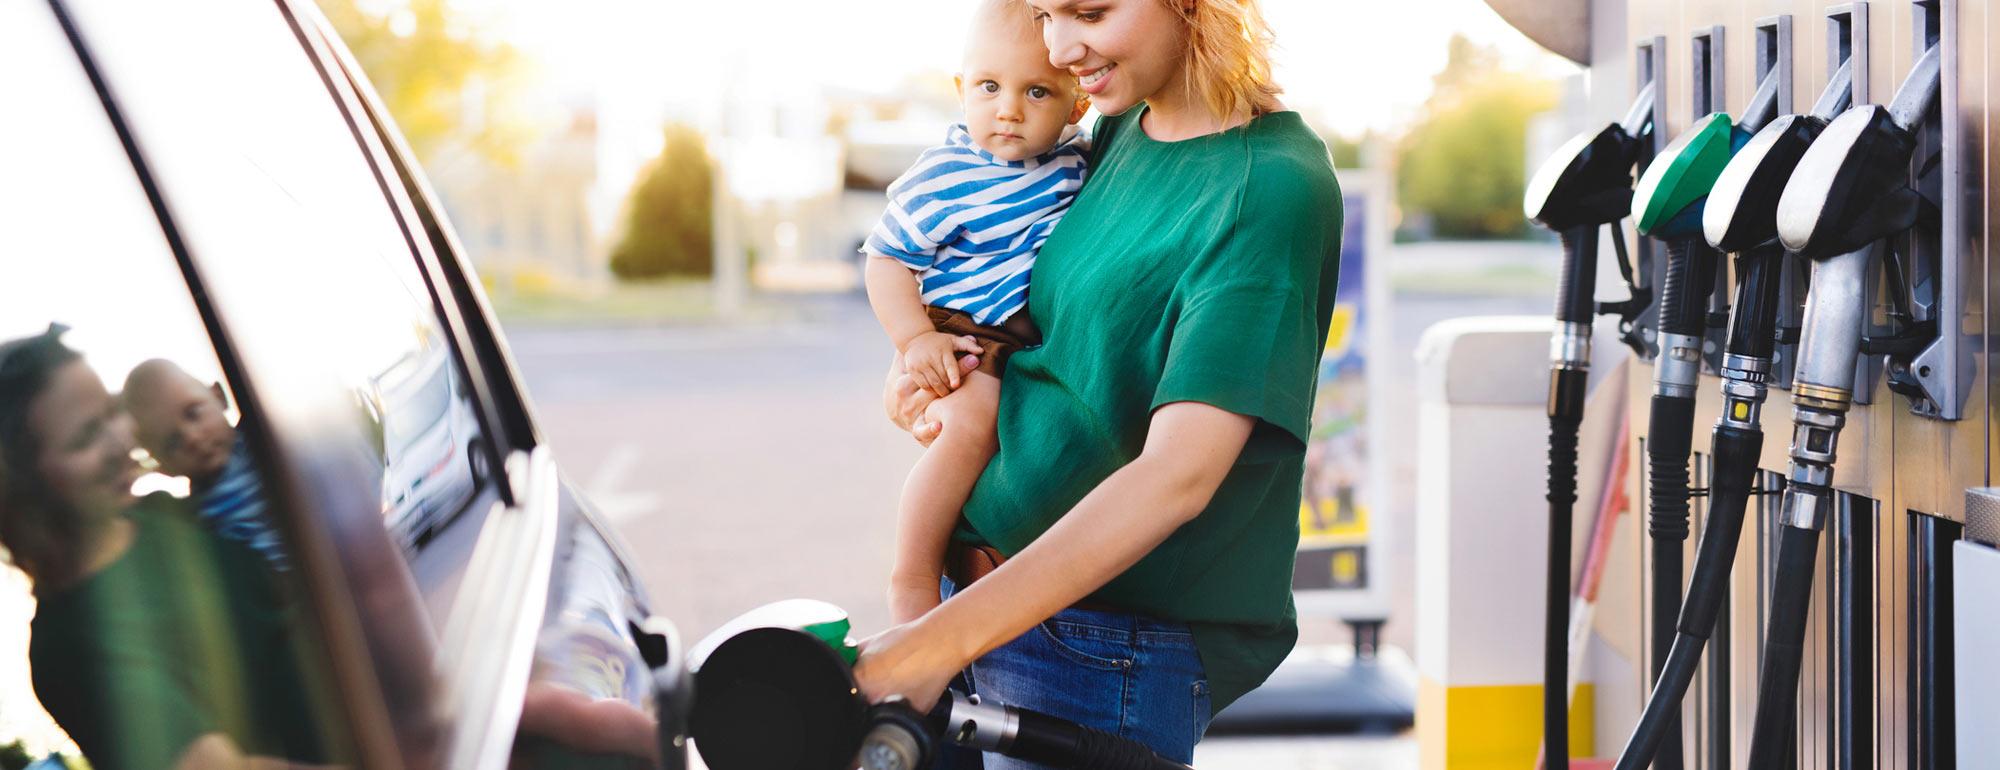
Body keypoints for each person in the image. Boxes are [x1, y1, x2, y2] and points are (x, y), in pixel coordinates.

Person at [851, 0, 1343, 766]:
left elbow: (1177, 477)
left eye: (1088, 10)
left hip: (1098, 650)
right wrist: (925, 367)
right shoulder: (1116, 131)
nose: (1059, 47)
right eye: (1045, 13)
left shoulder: (1267, 189)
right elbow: (1050, 331)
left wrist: (928, 646)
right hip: (978, 612)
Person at [0, 326, 336, 770]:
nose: (124, 443)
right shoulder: (70, 648)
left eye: (112, 412)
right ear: (23, 491)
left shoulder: (162, 512)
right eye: (86, 437)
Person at [861, 0, 1091, 626]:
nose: (1009, 108)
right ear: (963, 90)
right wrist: (913, 341)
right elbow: (884, 261)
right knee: (972, 424)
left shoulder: (1076, 162)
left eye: (1036, 91)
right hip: (958, 331)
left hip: (1021, 341)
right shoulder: (944, 176)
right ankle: (911, 575)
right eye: (989, 87)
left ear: (1077, 107)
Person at [122, 358, 289, 571]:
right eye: (173, 442)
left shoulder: (264, 442)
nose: (191, 438)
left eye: (193, 413)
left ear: (219, 397)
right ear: (164, 468)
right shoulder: (192, 520)